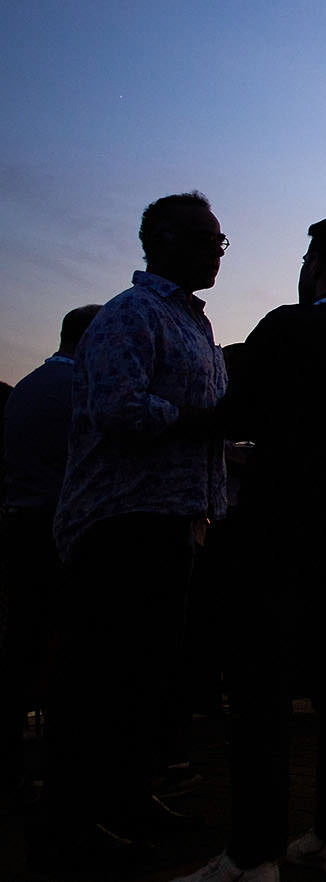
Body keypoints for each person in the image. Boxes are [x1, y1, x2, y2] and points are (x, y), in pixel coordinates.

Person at [179, 217, 326, 882]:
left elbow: (239, 411)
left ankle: (254, 851)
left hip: (278, 521)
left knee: (262, 682)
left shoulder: (287, 325)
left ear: (318, 265)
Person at [46, 193, 227, 867]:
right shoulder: (131, 316)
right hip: (121, 522)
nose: (217, 253)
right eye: (208, 240)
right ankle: (70, 823)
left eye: (220, 242)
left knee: (146, 677)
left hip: (172, 520)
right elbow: (118, 407)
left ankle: (127, 797)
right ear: (166, 240)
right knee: (100, 678)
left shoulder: (192, 324)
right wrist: (203, 422)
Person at [1, 304, 99, 795]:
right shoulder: (79, 389)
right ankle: (66, 772)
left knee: (21, 646)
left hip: (19, 525)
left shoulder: (28, 387)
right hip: (59, 530)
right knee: (66, 652)